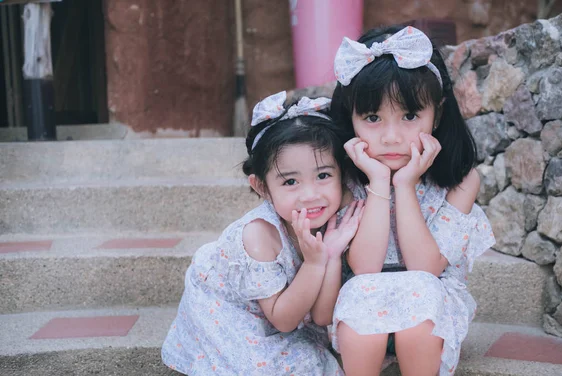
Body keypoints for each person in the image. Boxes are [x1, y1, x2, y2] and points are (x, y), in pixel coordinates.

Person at [329, 26, 496, 376]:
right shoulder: (348, 177)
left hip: (430, 313)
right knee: (362, 291)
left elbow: (425, 269)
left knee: (419, 294)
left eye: (409, 116)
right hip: (362, 311)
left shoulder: (461, 181)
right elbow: (365, 268)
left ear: (437, 113)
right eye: (372, 118)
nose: (391, 138)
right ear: (352, 119)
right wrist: (377, 180)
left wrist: (405, 185)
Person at [161, 91, 362, 376]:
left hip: (284, 311)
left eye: (323, 176)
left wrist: (329, 255)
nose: (310, 194)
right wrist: (316, 262)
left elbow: (321, 315)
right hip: (230, 315)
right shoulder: (259, 237)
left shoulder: (336, 216)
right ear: (262, 187)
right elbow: (283, 320)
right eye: (290, 181)